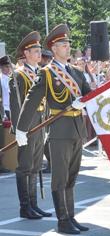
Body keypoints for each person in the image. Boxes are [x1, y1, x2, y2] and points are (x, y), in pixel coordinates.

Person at [15, 24, 91, 234]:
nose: (68, 47)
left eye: (68, 44)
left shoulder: (76, 71)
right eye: (63, 44)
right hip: (59, 132)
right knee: (60, 177)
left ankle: (71, 217)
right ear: (54, 48)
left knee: (71, 177)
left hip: (77, 130)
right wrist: (21, 129)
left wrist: (85, 100)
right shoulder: (47, 73)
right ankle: (62, 220)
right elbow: (31, 100)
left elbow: (90, 93)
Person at [9, 31, 50, 219]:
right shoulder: (19, 75)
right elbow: (17, 105)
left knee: (35, 166)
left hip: (39, 124)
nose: (39, 53)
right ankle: (25, 206)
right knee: (25, 166)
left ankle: (34, 204)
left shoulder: (39, 73)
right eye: (35, 50)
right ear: (26, 54)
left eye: (39, 49)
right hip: (26, 126)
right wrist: (20, 129)